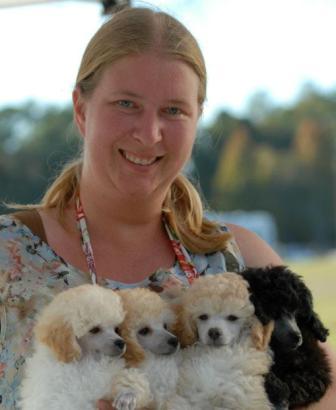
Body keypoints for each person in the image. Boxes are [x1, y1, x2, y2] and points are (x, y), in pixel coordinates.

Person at [0, 6, 335, 410]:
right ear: (81, 109)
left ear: (197, 122)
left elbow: (325, 387)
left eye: (174, 110)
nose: (149, 133)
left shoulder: (239, 259)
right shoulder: (9, 258)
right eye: (126, 104)